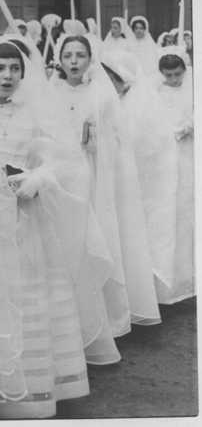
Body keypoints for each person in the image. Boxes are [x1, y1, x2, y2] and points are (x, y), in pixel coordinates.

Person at [0, 38, 92, 418]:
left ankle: (30, 389)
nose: (7, 76)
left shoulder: (33, 113)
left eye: (14, 69)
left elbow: (63, 160)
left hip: (24, 220)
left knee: (29, 296)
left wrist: (38, 179)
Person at [52, 35, 161, 337]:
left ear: (90, 60)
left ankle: (104, 317)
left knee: (96, 239)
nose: (73, 61)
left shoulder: (100, 95)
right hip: (60, 178)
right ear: (59, 60)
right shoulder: (51, 93)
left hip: (93, 176)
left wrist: (97, 143)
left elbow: (118, 141)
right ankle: (69, 318)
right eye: (68, 55)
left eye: (80, 55)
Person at [100, 50, 179, 303]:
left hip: (148, 180)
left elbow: (146, 144)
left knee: (147, 234)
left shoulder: (141, 101)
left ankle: (147, 290)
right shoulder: (118, 100)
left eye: (112, 78)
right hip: (126, 177)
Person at [156, 54, 194, 303]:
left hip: (188, 153)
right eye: (168, 75)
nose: (172, 79)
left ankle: (189, 276)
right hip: (165, 155)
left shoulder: (193, 88)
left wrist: (190, 125)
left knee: (188, 210)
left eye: (177, 74)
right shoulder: (156, 91)